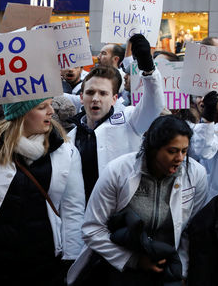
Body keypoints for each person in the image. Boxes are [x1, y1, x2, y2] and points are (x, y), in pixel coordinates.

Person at [67, 115, 207, 285]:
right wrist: (133, 260)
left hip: (168, 273)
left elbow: (191, 229)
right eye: (172, 151)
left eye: (184, 151)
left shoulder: (196, 175)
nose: (180, 158)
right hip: (121, 272)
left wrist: (182, 270)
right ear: (153, 148)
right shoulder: (118, 171)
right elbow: (93, 228)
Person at [0, 98, 84, 285]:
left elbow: (73, 209)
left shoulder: (66, 151)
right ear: (21, 113)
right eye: (42, 107)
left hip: (41, 263)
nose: (51, 111)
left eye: (50, 104)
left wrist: (71, 259)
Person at [69, 35, 165, 198]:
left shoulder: (130, 121)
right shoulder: (70, 138)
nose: (96, 98)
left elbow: (153, 106)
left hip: (122, 213)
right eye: (90, 92)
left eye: (103, 93)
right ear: (81, 97)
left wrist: (148, 69)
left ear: (114, 99)